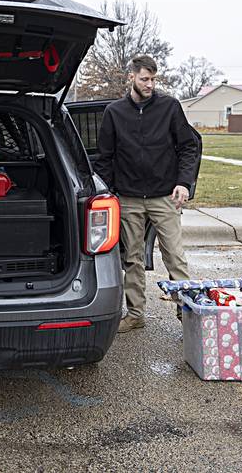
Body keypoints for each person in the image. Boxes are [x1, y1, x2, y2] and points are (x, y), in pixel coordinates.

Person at [93, 55, 199, 333]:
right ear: (132, 77)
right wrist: (107, 193)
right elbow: (105, 157)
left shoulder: (169, 107)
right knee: (133, 259)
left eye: (153, 79)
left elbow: (188, 147)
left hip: (165, 196)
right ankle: (136, 314)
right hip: (127, 198)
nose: (150, 84)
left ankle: (187, 316)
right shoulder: (114, 112)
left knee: (174, 256)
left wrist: (184, 183)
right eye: (144, 79)